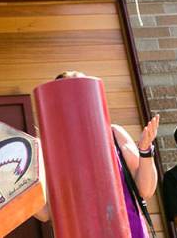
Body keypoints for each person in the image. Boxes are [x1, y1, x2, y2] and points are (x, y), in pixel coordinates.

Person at [36, 70, 160, 237]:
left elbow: (145, 190)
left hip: (130, 232)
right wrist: (14, 188)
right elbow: (46, 213)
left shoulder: (114, 134)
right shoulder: (48, 150)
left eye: (82, 89)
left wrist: (145, 150)